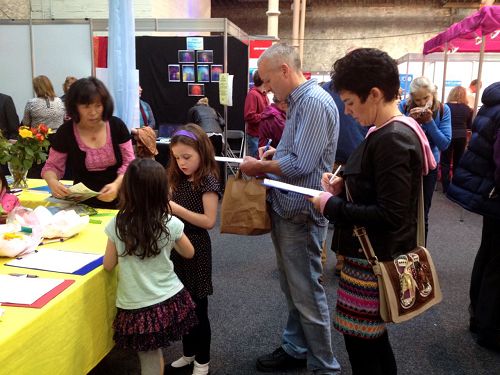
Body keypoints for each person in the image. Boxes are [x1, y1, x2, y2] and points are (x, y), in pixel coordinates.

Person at [310, 47, 436, 375]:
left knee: (364, 343)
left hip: (372, 258)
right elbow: (386, 195)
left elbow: (391, 214)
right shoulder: (392, 130)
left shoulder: (392, 137)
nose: (348, 111)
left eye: (350, 102)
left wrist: (332, 205)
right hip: (370, 256)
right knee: (367, 339)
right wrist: (343, 188)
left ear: (375, 94)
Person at [240, 43, 341, 374]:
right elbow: (294, 154)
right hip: (290, 207)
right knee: (295, 287)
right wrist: (273, 157)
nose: (266, 89)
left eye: (268, 81)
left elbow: (301, 164)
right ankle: (297, 348)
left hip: (302, 210)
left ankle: (325, 366)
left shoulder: (311, 102)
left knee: (307, 292)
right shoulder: (300, 101)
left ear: (285, 70)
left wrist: (261, 167)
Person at [103, 158, 198, 375]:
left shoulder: (118, 223)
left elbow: (108, 265)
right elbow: (189, 252)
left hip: (136, 303)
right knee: (155, 352)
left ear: (127, 190)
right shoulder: (169, 222)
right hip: (167, 298)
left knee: (148, 356)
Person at [447, 81, 500, 353]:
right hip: (494, 191)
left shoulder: (491, 103)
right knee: (496, 263)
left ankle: (480, 318)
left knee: (489, 256)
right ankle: (490, 328)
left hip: (488, 191)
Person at [166, 124, 221, 375]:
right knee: (182, 305)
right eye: (177, 158)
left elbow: (208, 221)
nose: (181, 163)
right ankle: (188, 353)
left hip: (197, 248)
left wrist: (177, 211)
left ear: (201, 152)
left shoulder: (207, 180)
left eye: (187, 157)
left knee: (199, 307)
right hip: (175, 246)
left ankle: (202, 359)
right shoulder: (176, 178)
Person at [41, 77, 135, 209]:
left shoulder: (116, 126)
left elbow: (129, 162)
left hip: (121, 198)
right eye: (86, 106)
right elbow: (52, 166)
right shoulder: (66, 132)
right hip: (82, 203)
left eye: (98, 106)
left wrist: (116, 185)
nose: (93, 112)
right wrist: (52, 181)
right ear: (74, 106)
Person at [320, 80, 368, 276]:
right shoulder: (325, 90)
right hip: (342, 158)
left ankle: (335, 259)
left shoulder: (324, 90)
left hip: (350, 159)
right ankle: (334, 259)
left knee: (337, 211)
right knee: (329, 211)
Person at [399, 76, 451, 243]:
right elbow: (397, 137)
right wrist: (410, 121)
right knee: (402, 210)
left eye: (425, 98)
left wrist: (429, 122)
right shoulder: (404, 107)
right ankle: (402, 253)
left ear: (433, 93)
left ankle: (421, 253)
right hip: (406, 165)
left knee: (423, 214)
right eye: (417, 99)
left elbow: (444, 144)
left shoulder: (443, 109)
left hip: (430, 166)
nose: (421, 103)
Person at [441, 86, 473, 193]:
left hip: (448, 135)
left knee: (445, 160)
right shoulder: (467, 109)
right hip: (461, 136)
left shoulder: (445, 107)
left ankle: (445, 186)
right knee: (457, 161)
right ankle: (455, 185)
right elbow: (469, 125)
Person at [244, 70, 269, 157]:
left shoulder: (264, 95)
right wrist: (266, 115)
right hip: (255, 136)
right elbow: (249, 116)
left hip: (261, 136)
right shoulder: (253, 95)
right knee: (256, 163)